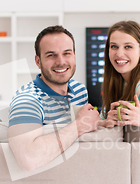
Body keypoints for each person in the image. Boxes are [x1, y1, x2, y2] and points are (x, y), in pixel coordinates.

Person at [8, 25, 100, 171]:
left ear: (74, 55)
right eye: (51, 55)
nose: (61, 62)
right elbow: (28, 159)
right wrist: (79, 126)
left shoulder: (80, 91)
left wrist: (105, 123)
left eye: (67, 53)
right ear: (38, 61)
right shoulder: (27, 99)